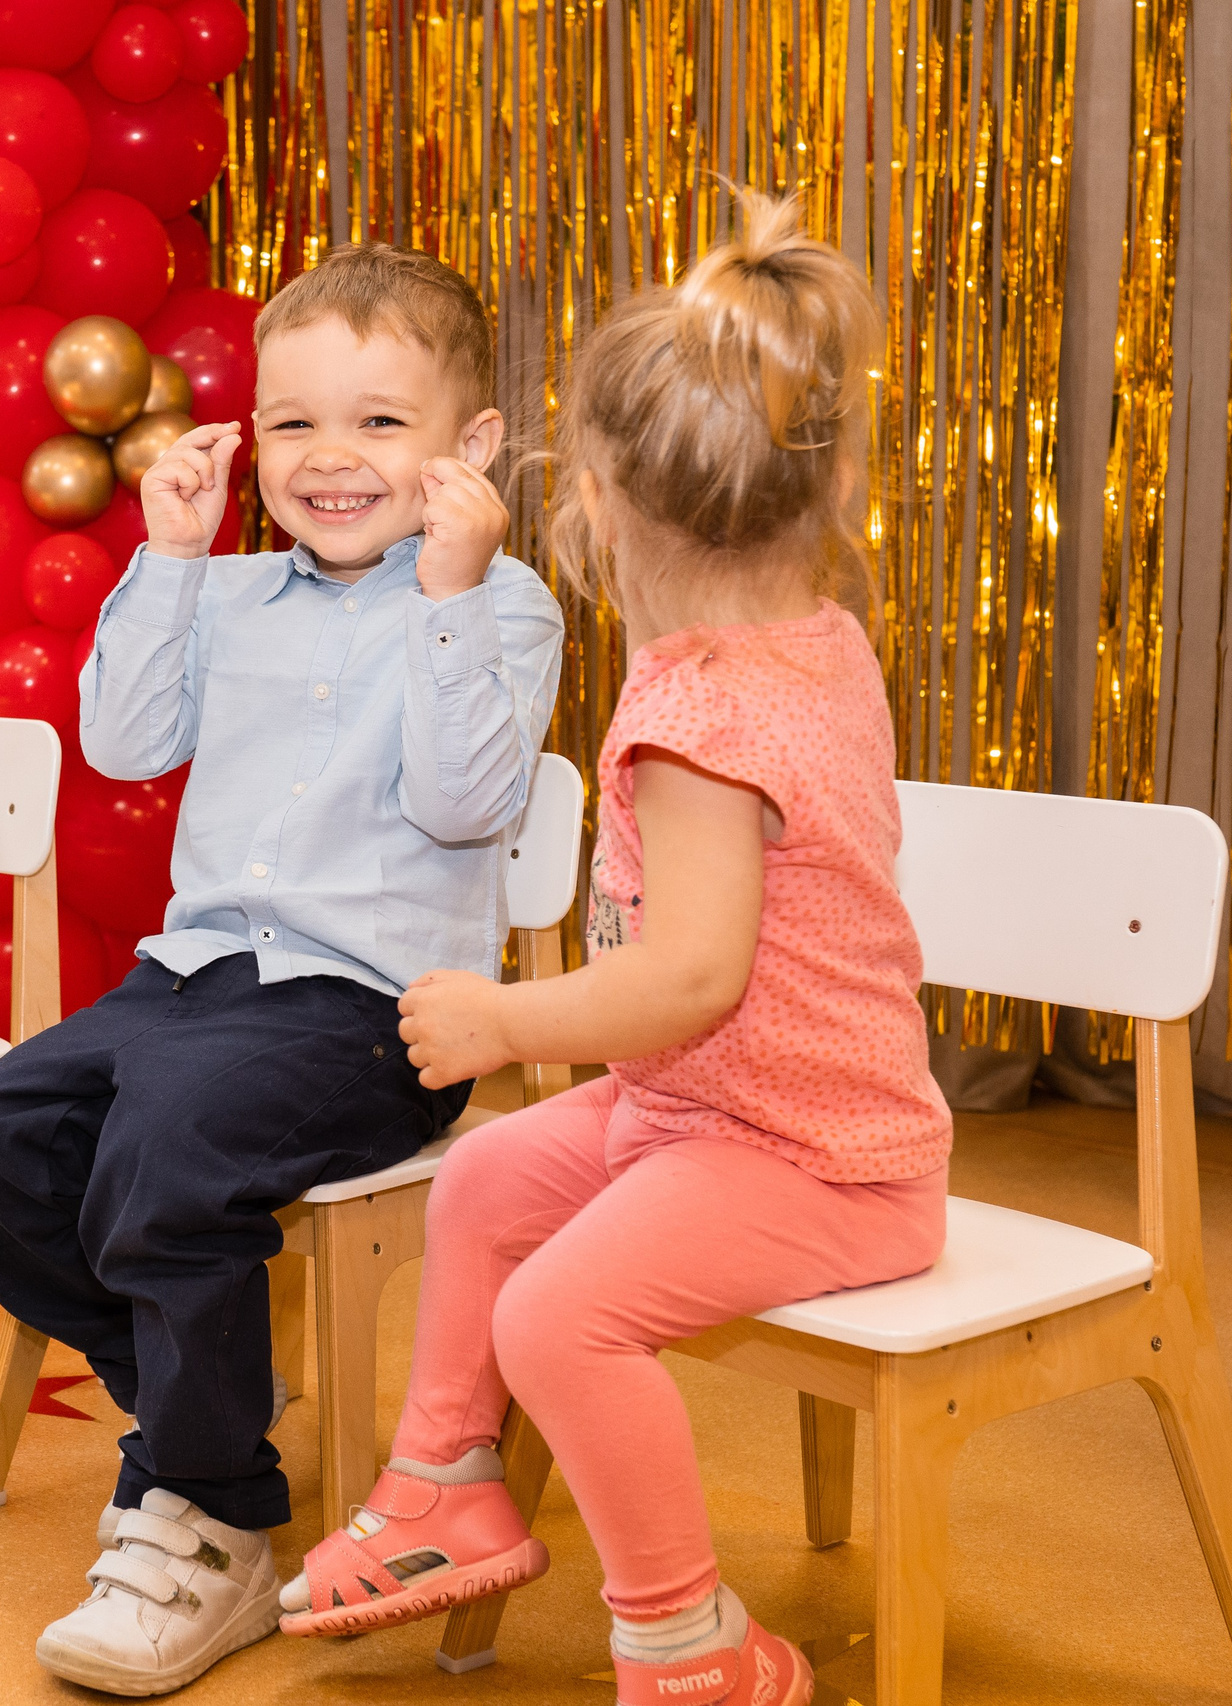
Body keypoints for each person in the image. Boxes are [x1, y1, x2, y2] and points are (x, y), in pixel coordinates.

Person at [276, 191, 951, 1706]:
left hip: (821, 1157)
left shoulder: (702, 722)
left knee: (558, 1314)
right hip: (715, 1113)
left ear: (596, 493)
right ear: (831, 478)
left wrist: (505, 1022)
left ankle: (684, 1638)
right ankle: (446, 1479)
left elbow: (690, 977)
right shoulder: (814, 633)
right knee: (494, 1176)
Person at [0, 244, 566, 1695]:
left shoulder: (502, 605)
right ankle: (201, 1402)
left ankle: (210, 1518)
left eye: (382, 423)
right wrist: (170, 557)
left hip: (375, 1008)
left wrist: (450, 592)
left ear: (469, 450)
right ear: (245, 430)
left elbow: (469, 804)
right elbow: (125, 744)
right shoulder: (226, 591)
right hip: (192, 980)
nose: (332, 457)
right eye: (293, 422)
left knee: (167, 1150)